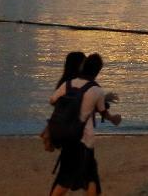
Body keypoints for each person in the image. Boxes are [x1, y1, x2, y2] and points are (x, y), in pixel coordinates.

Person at [49, 52, 121, 195]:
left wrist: (70, 107)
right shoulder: (96, 90)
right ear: (98, 70)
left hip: (68, 137)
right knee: (66, 181)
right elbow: (104, 113)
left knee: (90, 179)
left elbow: (52, 100)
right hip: (84, 141)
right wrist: (114, 119)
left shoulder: (68, 84)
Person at [41, 52, 86, 152]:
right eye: (84, 63)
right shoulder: (77, 84)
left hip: (64, 128)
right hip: (74, 129)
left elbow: (53, 102)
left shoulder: (63, 83)